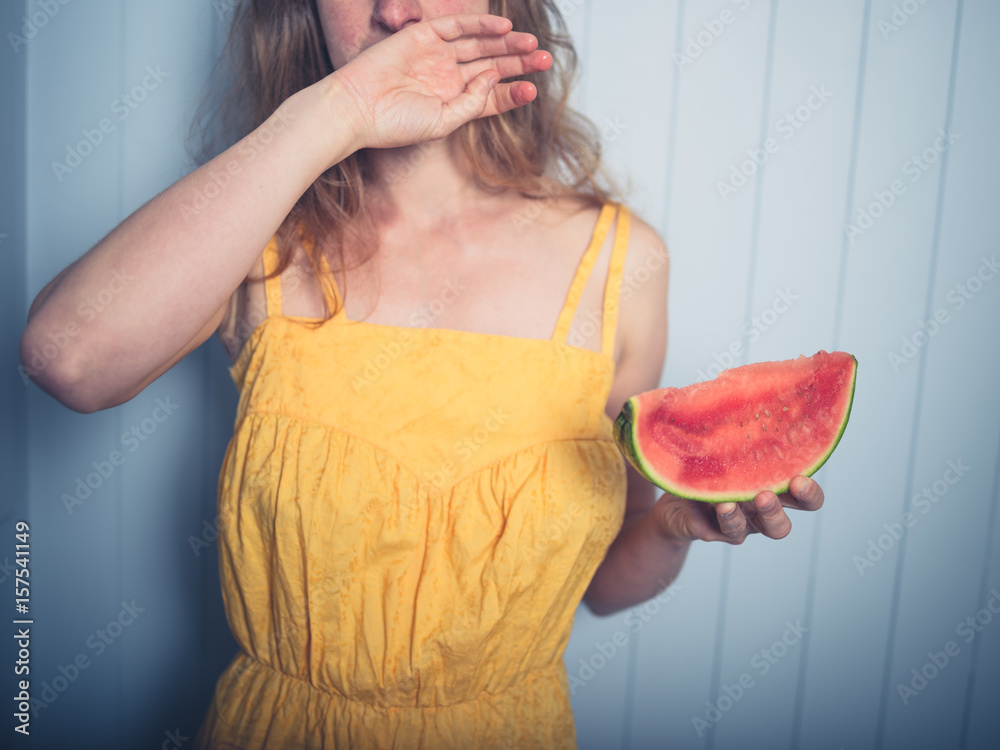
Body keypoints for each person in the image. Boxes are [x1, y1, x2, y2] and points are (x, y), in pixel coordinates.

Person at [19, 1, 826, 747]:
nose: (396, 9)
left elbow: (606, 586)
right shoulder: (259, 245)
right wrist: (338, 110)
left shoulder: (622, 263)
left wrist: (674, 530)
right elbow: (68, 356)